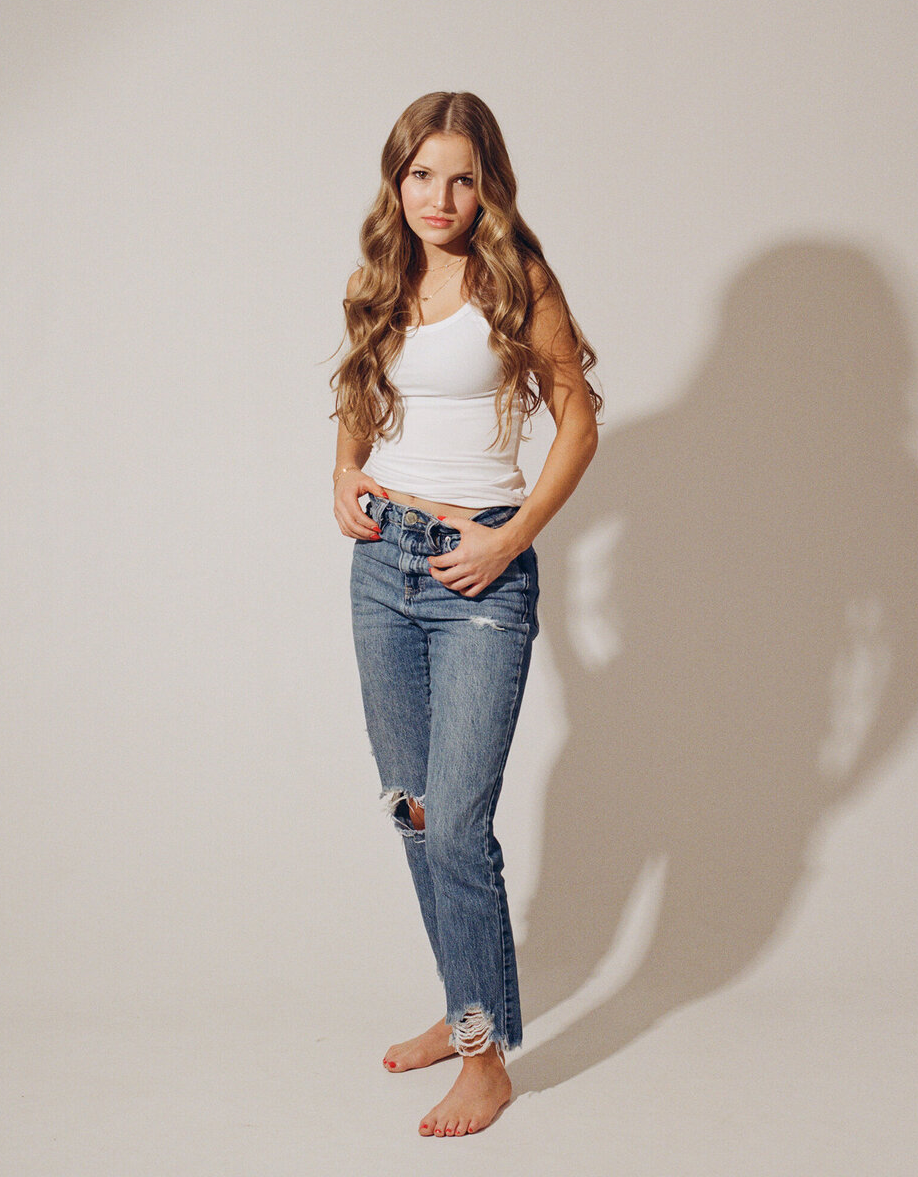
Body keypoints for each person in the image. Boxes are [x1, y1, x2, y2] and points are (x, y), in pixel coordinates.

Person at [329, 91, 600, 1137]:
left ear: (487, 185)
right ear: (396, 181)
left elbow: (578, 421)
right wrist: (344, 470)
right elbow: (360, 391)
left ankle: (486, 1061)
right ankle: (464, 1008)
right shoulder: (382, 277)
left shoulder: (517, 279)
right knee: (414, 809)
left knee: (460, 831)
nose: (437, 197)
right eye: (419, 174)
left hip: (477, 570)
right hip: (383, 565)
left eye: (459, 177)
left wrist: (513, 533)